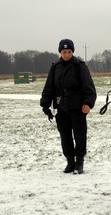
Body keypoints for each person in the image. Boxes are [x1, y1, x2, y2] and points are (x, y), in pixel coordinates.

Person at [40, 39, 96, 174]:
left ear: (72, 52)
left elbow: (89, 87)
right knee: (65, 136)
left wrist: (88, 103)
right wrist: (45, 104)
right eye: (64, 52)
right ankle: (70, 161)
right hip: (61, 107)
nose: (66, 54)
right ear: (60, 52)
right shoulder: (55, 67)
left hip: (77, 108)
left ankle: (79, 161)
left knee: (79, 135)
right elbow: (49, 88)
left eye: (69, 52)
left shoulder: (79, 66)